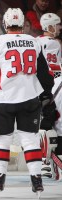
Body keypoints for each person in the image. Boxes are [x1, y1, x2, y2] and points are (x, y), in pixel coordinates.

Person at [0, 8, 55, 197]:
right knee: (30, 141)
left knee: (2, 141)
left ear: (5, 23)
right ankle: (37, 182)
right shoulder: (34, 42)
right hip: (30, 99)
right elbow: (46, 75)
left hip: (4, 100)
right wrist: (47, 97)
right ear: (22, 23)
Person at [37, 13, 62, 180]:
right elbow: (54, 68)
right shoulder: (54, 43)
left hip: (37, 88)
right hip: (53, 87)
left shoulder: (35, 41)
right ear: (50, 26)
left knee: (44, 124)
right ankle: (50, 162)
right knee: (54, 123)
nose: (60, 27)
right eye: (58, 24)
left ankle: (43, 163)